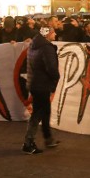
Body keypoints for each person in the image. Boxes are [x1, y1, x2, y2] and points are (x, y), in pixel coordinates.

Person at [23, 25, 60, 155]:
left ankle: (48, 138)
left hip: (34, 83)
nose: (55, 35)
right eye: (53, 32)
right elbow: (52, 68)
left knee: (45, 110)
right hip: (42, 84)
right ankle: (28, 143)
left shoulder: (34, 44)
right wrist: (55, 80)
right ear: (47, 34)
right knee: (38, 113)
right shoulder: (46, 48)